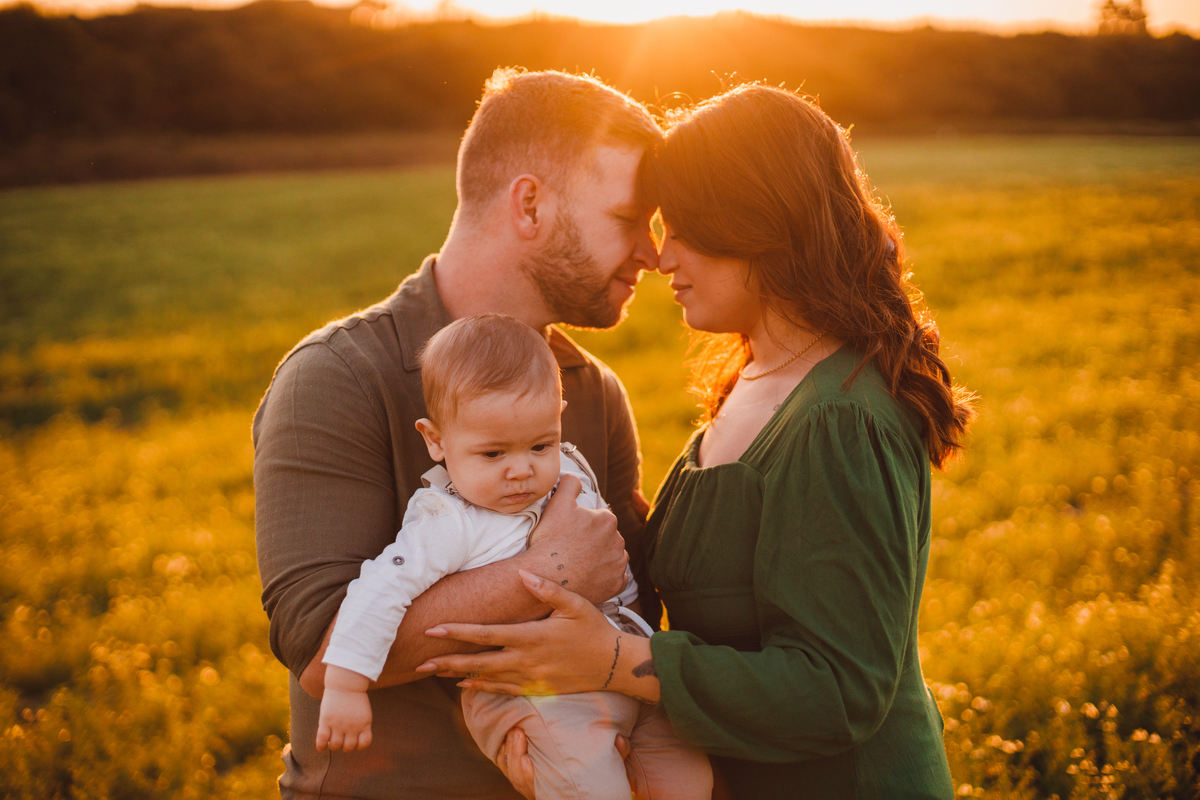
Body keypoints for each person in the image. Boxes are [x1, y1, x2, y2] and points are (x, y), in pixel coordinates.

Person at [415, 84, 976, 800]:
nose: (661, 256)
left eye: (685, 229)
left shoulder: (839, 417)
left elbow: (841, 691)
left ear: (759, 225)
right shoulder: (752, 382)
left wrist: (613, 661)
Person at [252, 68, 663, 799]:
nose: (651, 253)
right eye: (628, 218)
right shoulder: (335, 378)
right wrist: (548, 570)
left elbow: (625, 601)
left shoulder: (593, 390)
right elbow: (319, 653)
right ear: (530, 205)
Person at [315, 314, 711, 800]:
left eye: (540, 445)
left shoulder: (568, 473)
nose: (521, 470)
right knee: (590, 788)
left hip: (618, 659)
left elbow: (610, 563)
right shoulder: (446, 520)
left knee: (691, 780)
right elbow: (380, 590)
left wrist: (630, 625)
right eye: (493, 454)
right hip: (531, 691)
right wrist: (346, 686)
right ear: (436, 440)